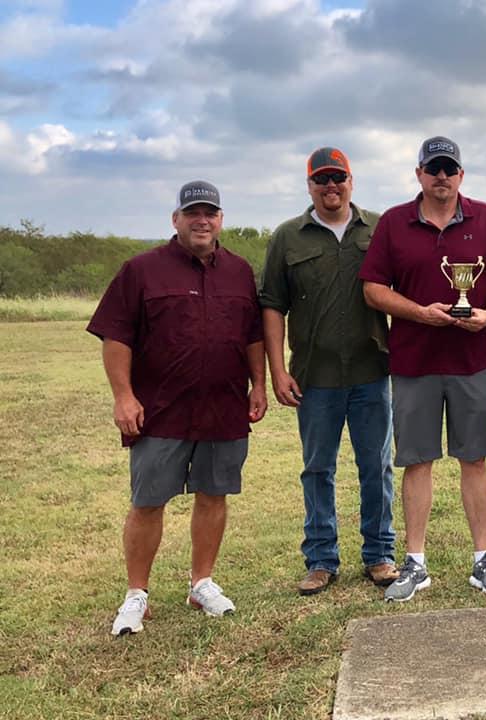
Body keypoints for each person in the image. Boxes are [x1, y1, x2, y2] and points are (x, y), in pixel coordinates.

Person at [87, 181, 267, 636]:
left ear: (221, 219)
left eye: (210, 213)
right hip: (160, 409)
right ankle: (136, 594)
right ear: (176, 219)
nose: (201, 220)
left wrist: (259, 384)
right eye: (192, 213)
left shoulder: (240, 272)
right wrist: (123, 396)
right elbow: (116, 337)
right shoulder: (141, 270)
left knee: (213, 495)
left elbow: (252, 336)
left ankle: (201, 583)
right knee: (148, 501)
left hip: (224, 406)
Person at [360, 136, 486, 601]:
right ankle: (415, 563)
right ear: (419, 175)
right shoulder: (394, 222)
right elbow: (373, 288)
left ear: (461, 176)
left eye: (450, 169)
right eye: (433, 169)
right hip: (414, 362)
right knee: (417, 461)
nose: (442, 177)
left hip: (473, 362)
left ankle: (482, 560)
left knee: (474, 459)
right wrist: (419, 312)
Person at [259, 147, 397, 596]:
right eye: (322, 179)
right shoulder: (287, 237)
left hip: (372, 369)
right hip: (314, 376)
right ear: (310, 186)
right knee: (317, 468)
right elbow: (272, 307)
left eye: (338, 177)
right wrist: (277, 371)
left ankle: (379, 554)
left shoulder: (378, 229)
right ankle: (320, 559)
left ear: (351, 181)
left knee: (376, 466)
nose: (330, 186)